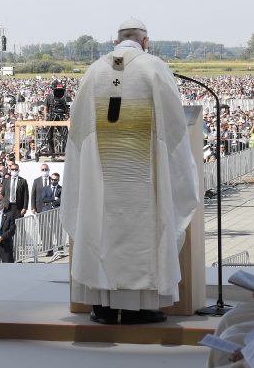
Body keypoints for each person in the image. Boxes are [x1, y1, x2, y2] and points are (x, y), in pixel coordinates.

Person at [61, 19, 199, 325]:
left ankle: (103, 306)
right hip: (142, 172)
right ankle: (140, 307)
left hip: (102, 173)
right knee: (144, 231)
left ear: (115, 42)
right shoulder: (154, 68)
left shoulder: (94, 71)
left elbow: (78, 133)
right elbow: (175, 130)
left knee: (100, 228)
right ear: (145, 42)